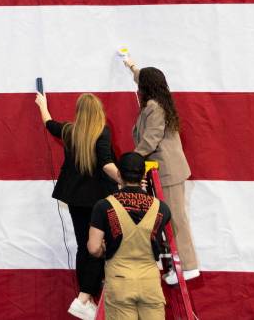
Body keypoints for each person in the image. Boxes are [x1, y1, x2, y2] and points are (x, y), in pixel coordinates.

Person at [35, 91, 122, 320]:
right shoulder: (102, 131)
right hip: (98, 200)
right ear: (98, 112)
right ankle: (84, 298)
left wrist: (42, 104)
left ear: (79, 113)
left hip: (75, 199)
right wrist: (125, 180)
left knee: (84, 246)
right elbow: (106, 163)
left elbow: (49, 124)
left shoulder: (70, 131)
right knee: (98, 247)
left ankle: (86, 298)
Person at [123, 59, 200, 283]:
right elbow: (142, 76)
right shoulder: (159, 101)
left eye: (140, 84)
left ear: (146, 87)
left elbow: (151, 138)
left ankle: (188, 267)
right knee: (167, 220)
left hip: (169, 172)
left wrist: (132, 160)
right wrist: (131, 65)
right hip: (162, 171)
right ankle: (177, 265)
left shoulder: (154, 108)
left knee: (176, 219)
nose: (138, 87)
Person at [88, 152, 172, 320]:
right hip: (150, 283)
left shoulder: (104, 206)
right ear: (143, 176)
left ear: (119, 174)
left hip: (119, 282)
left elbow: (94, 248)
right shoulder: (162, 208)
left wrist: (103, 249)